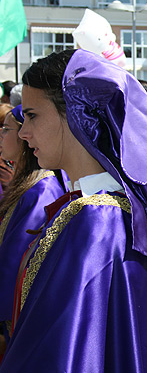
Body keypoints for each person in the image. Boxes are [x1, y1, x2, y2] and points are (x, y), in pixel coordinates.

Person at [1, 49, 147, 372]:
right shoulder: (102, 209)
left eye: (32, 116)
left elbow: (62, 353)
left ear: (74, 114)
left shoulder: (95, 219)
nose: (22, 133)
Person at [0, 105, 65, 350]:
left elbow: (16, 261)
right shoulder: (25, 184)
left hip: (18, 313)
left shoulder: (41, 191)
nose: (1, 136)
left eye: (6, 129)